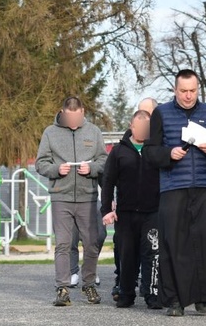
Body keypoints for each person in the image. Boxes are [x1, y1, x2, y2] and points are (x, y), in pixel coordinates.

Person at [143, 69, 206, 316]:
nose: (188, 96)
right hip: (173, 187)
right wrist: (168, 154)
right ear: (175, 90)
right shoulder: (161, 113)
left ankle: (204, 297)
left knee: (204, 240)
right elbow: (149, 152)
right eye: (184, 91)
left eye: (193, 91)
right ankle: (174, 300)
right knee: (174, 243)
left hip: (204, 186)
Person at [35, 96, 108, 306]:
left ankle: (89, 284)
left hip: (88, 197)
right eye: (70, 118)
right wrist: (56, 170)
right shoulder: (50, 132)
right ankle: (62, 288)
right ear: (63, 113)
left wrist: (92, 168)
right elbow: (41, 163)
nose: (74, 122)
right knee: (63, 244)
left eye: (77, 118)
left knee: (91, 243)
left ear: (83, 112)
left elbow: (104, 160)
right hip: (61, 197)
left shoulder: (93, 132)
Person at [101, 110, 162, 309]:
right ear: (132, 126)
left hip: (152, 212)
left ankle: (152, 294)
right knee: (127, 255)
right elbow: (108, 180)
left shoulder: (155, 149)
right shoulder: (119, 151)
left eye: (147, 128)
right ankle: (126, 293)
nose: (143, 131)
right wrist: (106, 209)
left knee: (152, 254)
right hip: (125, 213)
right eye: (140, 127)